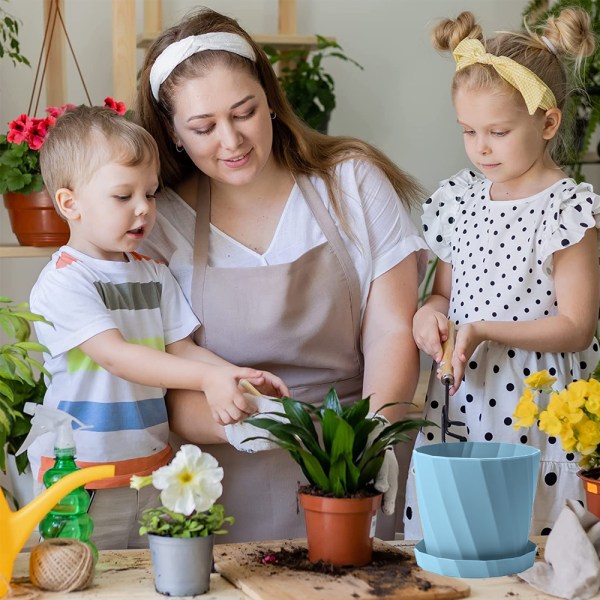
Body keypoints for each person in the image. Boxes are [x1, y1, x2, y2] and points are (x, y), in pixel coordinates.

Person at [135, 6, 428, 542]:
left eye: (243, 112)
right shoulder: (158, 224)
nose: (231, 141)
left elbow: (391, 329)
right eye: (203, 127)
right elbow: (167, 385)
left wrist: (376, 436)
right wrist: (255, 427)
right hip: (221, 487)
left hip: (358, 470)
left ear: (269, 101)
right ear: (173, 134)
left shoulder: (351, 185)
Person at [28, 105, 287, 550]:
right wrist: (209, 378)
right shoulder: (64, 280)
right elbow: (119, 356)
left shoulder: (152, 273)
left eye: (148, 194)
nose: (143, 209)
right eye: (122, 196)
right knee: (86, 576)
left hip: (151, 467)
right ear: (69, 203)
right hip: (81, 478)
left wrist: (233, 377)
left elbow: (180, 349)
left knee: (153, 579)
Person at [404, 7, 600, 540]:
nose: (480, 147)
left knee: (527, 538)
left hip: (537, 406)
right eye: (468, 131)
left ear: (548, 122)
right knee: (460, 536)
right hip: (464, 397)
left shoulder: (567, 208)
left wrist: (484, 329)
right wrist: (430, 315)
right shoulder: (462, 198)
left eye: (498, 131)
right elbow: (443, 293)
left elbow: (577, 326)